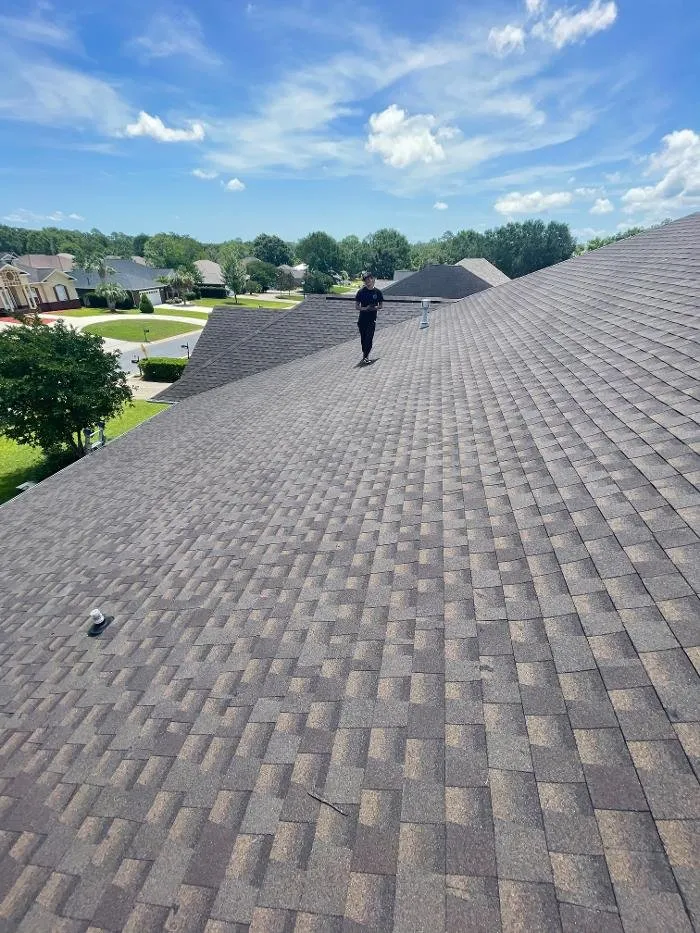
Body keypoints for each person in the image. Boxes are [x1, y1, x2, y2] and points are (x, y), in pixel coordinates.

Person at [355, 272, 383, 364]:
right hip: (362, 320)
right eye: (366, 280)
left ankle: (366, 356)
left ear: (372, 279)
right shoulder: (361, 292)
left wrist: (373, 308)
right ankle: (365, 354)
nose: (368, 281)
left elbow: (380, 306)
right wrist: (365, 308)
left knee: (369, 338)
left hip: (372, 319)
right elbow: (357, 306)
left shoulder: (378, 292)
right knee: (363, 339)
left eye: (369, 279)